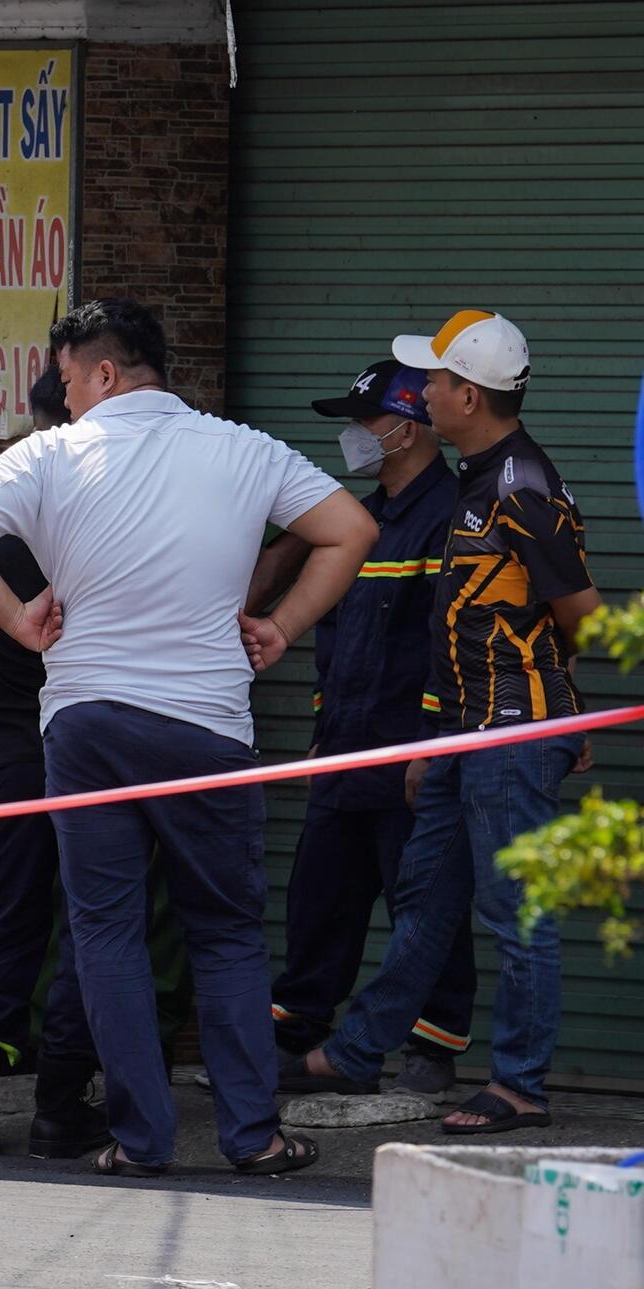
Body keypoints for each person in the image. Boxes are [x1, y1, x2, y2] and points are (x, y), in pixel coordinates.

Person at [0, 297, 376, 1177]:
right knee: (226, 932)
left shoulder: (52, 454)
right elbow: (351, 529)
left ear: (103, 373)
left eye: (67, 381)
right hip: (206, 724)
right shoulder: (243, 448)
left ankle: (140, 1141)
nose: (64, 399)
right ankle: (253, 1137)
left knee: (106, 931)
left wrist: (18, 620)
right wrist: (281, 626)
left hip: (86, 722)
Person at [285, 311, 598, 1134]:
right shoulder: (475, 479)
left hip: (511, 732)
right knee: (424, 898)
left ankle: (519, 1084)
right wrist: (435, 741)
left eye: (433, 380)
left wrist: (558, 710)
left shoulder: (520, 487)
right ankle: (358, 1051)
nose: (421, 393)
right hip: (464, 731)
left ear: (468, 396)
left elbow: (580, 612)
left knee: (516, 912)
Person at [249, 360, 476, 1096]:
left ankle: (432, 1047)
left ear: (406, 429)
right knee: (320, 896)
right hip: (347, 747)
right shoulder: (355, 522)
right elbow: (336, 634)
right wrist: (325, 723)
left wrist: (433, 744)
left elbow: (452, 643)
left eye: (364, 421)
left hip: (412, 753)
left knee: (425, 906)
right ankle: (296, 1032)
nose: (352, 435)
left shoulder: (452, 515)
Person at [0, 367, 106, 1159]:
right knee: (92, 921)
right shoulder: (109, 516)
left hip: (16, 753)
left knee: (2, 917)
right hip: (94, 750)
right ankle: (60, 1107)